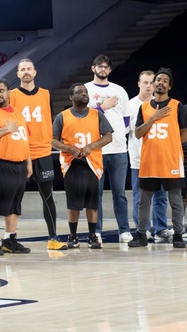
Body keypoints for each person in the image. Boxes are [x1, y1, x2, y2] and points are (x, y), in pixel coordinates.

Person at [10, 58, 65, 250]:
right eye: (22, 69)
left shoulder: (46, 94)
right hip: (20, 152)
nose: (26, 72)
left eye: (29, 69)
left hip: (42, 152)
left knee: (47, 196)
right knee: (14, 197)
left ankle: (53, 238)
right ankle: (10, 238)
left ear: (35, 72)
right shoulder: (12, 95)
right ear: (17, 74)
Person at [128, 68, 187, 248]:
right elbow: (138, 133)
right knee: (143, 202)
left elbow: (184, 134)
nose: (160, 82)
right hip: (149, 161)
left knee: (175, 201)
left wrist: (170, 144)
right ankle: (140, 235)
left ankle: (178, 234)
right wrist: (153, 118)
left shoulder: (177, 106)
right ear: (153, 84)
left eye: (164, 81)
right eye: (158, 80)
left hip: (170, 161)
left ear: (169, 86)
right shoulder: (144, 108)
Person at [51, 83, 113, 249]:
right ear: (71, 97)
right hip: (72, 163)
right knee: (74, 203)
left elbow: (108, 137)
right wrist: (68, 148)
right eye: (79, 92)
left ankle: (92, 236)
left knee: (92, 202)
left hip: (92, 163)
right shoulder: (62, 116)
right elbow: (52, 140)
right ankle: (73, 236)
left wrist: (91, 147)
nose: (84, 94)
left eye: (85, 92)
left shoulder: (96, 114)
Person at [0, 78, 32, 255]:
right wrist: (6, 130)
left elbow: (26, 138)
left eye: (1, 91)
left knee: (14, 205)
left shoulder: (18, 113)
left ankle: (10, 239)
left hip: (19, 164)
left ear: (8, 93)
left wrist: (28, 162)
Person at [86, 54, 133, 242]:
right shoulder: (86, 90)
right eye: (100, 66)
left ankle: (124, 230)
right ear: (93, 68)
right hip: (97, 149)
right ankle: (96, 230)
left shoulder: (119, 90)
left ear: (110, 70)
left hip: (119, 149)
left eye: (106, 67)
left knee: (119, 193)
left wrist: (120, 134)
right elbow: (84, 116)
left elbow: (127, 118)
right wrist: (102, 107)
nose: (103, 69)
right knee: (95, 192)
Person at [127, 70, 169, 241]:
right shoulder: (130, 105)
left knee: (161, 196)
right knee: (140, 197)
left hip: (159, 158)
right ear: (138, 84)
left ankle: (161, 229)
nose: (149, 86)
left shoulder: (162, 104)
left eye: (152, 82)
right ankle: (141, 230)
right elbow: (128, 130)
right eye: (145, 82)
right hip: (139, 158)